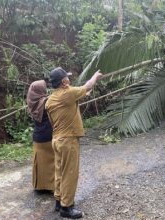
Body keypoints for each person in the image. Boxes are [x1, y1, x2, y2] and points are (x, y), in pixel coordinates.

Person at [45, 67, 103, 219]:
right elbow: (87, 86)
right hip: (68, 140)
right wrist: (95, 77)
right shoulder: (68, 94)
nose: (69, 80)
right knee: (70, 174)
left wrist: (86, 90)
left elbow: (81, 93)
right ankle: (67, 207)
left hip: (57, 140)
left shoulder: (51, 99)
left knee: (59, 172)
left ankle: (59, 200)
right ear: (64, 82)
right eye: (67, 78)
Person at [26, 79, 55, 192]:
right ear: (41, 90)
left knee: (40, 163)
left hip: (38, 137)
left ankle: (40, 187)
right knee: (52, 162)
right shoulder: (47, 101)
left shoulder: (32, 101)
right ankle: (52, 186)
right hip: (49, 136)